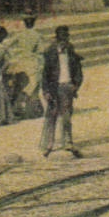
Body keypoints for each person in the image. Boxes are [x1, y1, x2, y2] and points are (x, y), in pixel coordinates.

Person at [40, 26, 84, 157]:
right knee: (52, 116)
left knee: (66, 117)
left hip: (67, 87)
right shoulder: (50, 53)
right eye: (62, 40)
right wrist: (46, 91)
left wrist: (76, 85)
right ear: (57, 40)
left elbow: (78, 71)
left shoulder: (71, 51)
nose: (64, 43)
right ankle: (49, 144)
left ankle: (68, 141)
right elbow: (45, 74)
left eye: (66, 39)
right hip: (54, 88)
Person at [7, 15, 46, 119]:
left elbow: (7, 44)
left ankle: (19, 108)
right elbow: (41, 51)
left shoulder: (20, 35)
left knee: (21, 85)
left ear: (25, 23)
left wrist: (14, 55)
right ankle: (32, 110)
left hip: (21, 62)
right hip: (32, 62)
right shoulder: (38, 35)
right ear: (33, 23)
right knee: (33, 87)